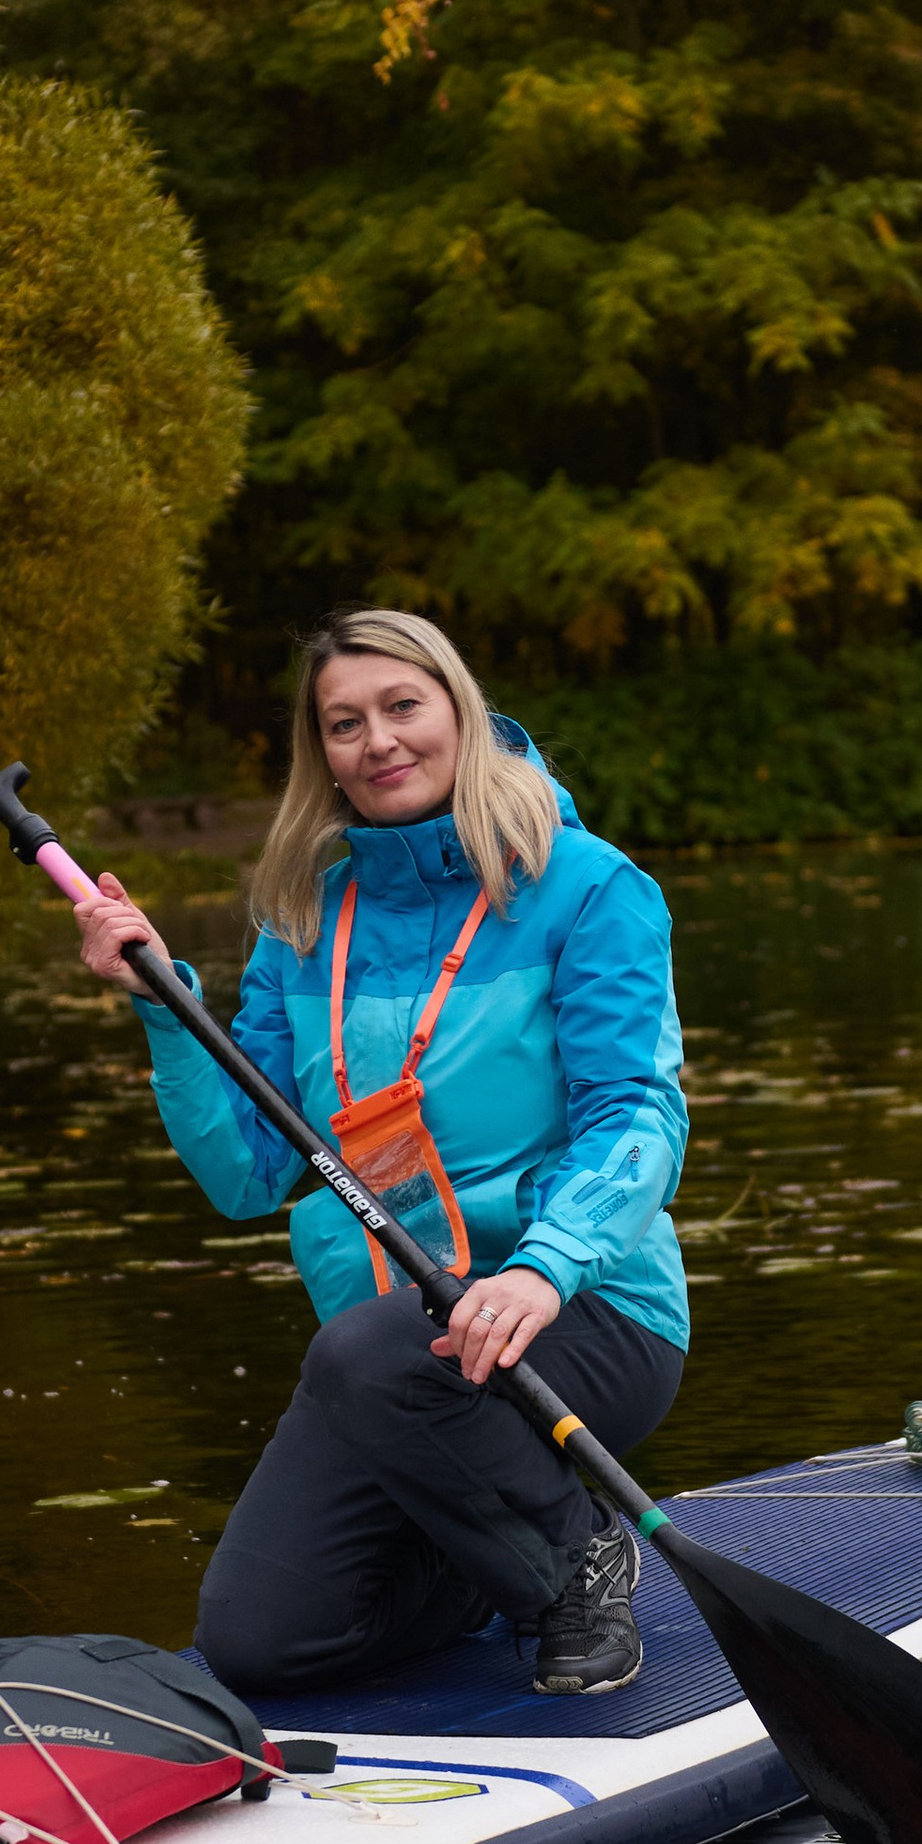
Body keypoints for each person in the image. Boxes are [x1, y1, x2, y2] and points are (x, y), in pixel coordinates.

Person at [71, 606, 688, 1702]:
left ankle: (577, 1560)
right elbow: (246, 1174)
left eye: (402, 705)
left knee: (368, 1353)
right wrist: (167, 1009)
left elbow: (637, 1114)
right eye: (344, 723)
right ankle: (486, 1557)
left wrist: (541, 1266)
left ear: (458, 710)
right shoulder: (304, 919)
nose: (378, 740)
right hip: (397, 1358)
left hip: (578, 1312)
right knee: (264, 1641)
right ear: (324, 758)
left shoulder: (586, 887)